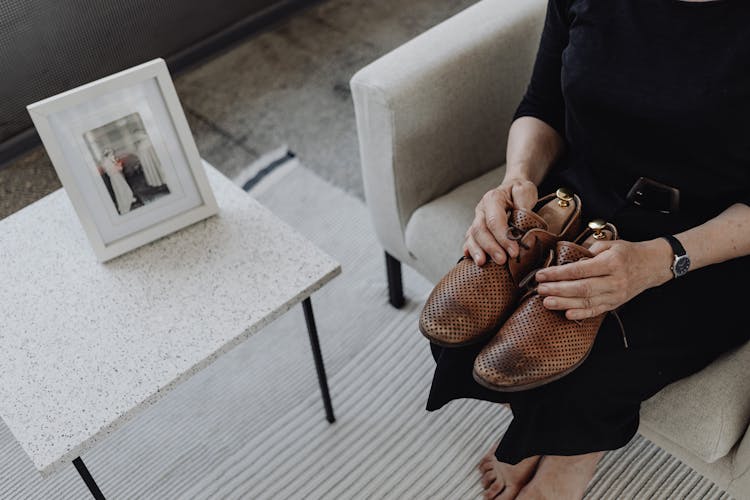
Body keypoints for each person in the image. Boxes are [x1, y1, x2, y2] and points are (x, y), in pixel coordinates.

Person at [425, 1, 750, 498]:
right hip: (583, 197)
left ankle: (568, 467)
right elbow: (542, 107)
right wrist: (517, 181)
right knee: (468, 315)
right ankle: (531, 424)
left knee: (595, 366)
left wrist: (660, 261)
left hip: (709, 239)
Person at [100, 148, 136, 215]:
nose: (112, 154)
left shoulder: (107, 161)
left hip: (115, 177)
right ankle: (125, 201)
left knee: (122, 188)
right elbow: (115, 170)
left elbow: (113, 169)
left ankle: (128, 198)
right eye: (111, 153)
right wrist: (118, 166)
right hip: (115, 177)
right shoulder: (108, 161)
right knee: (120, 189)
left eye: (112, 153)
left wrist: (117, 164)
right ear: (108, 154)